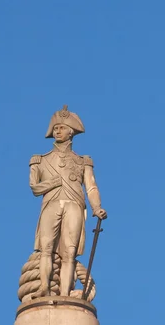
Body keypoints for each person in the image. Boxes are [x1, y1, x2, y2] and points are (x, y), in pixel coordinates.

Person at [29, 106, 107, 297]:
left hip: (74, 205)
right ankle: (44, 287)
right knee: (46, 249)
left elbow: (91, 187)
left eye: (62, 128)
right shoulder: (40, 160)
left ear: (71, 132)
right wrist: (52, 183)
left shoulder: (83, 161)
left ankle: (64, 293)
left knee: (69, 253)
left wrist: (96, 208)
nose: (57, 131)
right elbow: (34, 188)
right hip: (51, 203)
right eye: (55, 128)